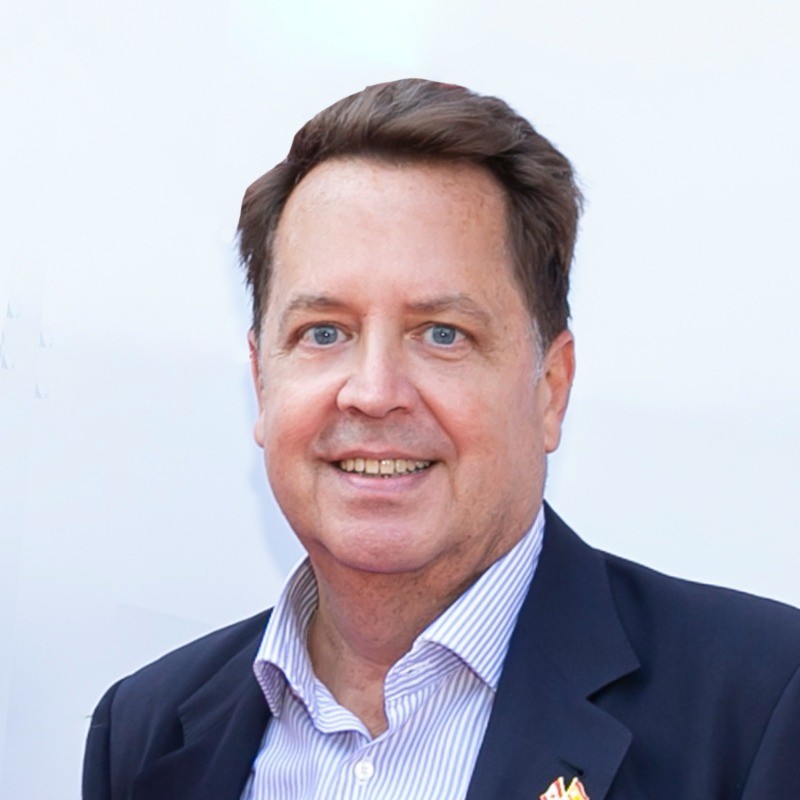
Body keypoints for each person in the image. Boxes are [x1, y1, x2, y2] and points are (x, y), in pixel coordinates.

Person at [82, 79, 800, 800]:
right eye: (323, 332)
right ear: (262, 382)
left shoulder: (760, 707)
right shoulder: (145, 735)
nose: (373, 391)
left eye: (442, 334)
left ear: (550, 388)